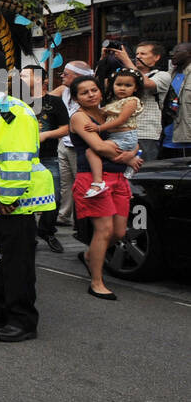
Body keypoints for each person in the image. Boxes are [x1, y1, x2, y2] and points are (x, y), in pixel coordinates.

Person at [0, 93, 55, 342]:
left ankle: (22, 320)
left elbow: (17, 156)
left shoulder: (13, 110)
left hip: (12, 204)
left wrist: (9, 195)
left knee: (17, 264)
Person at [69, 76, 142, 300]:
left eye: (94, 90)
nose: (91, 94)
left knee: (119, 232)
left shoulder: (109, 112)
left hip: (118, 177)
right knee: (104, 230)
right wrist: (128, 158)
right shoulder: (79, 117)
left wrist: (133, 151)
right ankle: (97, 282)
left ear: (101, 91)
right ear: (75, 98)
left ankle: (91, 255)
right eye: (84, 92)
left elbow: (131, 134)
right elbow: (99, 146)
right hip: (93, 178)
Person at [25, 64, 68, 254]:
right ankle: (28, 235)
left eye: (26, 76)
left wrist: (46, 135)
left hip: (49, 157)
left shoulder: (54, 102)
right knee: (25, 197)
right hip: (23, 158)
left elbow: (66, 128)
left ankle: (47, 231)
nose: (22, 79)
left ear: (41, 80)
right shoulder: (18, 101)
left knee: (54, 197)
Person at [82, 69, 142, 194]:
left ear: (135, 88)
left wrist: (98, 128)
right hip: (117, 136)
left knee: (91, 151)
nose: (122, 88)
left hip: (124, 137)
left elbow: (121, 120)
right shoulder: (114, 102)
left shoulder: (131, 101)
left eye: (128, 85)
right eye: (119, 84)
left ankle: (98, 182)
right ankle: (126, 178)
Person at [54, 60, 91, 233]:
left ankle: (82, 219)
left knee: (81, 183)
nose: (61, 76)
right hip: (64, 142)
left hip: (81, 144)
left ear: (78, 77)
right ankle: (63, 215)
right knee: (65, 183)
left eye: (66, 74)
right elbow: (42, 98)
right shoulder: (64, 90)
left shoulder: (89, 91)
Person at [158, 42, 191, 159]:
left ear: (188, 54)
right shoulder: (168, 75)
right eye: (172, 52)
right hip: (166, 137)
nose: (173, 55)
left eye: (177, 52)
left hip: (186, 139)